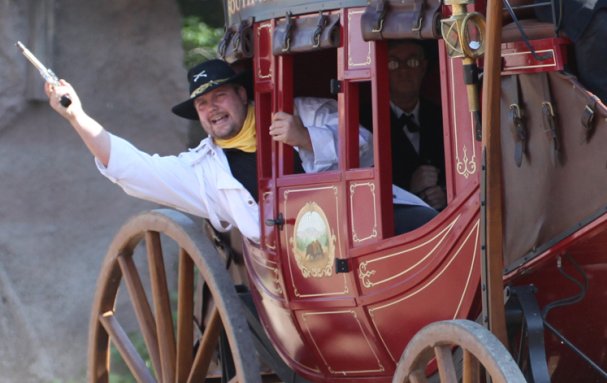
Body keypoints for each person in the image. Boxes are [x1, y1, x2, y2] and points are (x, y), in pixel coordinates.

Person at [46, 57, 436, 240]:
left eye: (219, 97)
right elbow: (131, 167)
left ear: (242, 94)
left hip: (369, 230)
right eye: (202, 104)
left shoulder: (304, 112)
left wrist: (303, 138)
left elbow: (364, 148)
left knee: (426, 228)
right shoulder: (205, 170)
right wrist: (77, 116)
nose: (212, 108)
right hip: (301, 273)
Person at [384, 40, 446, 211]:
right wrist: (408, 187)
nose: (403, 70)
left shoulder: (444, 117)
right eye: (393, 63)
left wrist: (445, 195)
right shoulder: (365, 121)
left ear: (424, 67)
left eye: (412, 61)